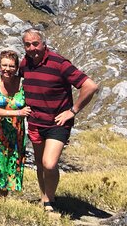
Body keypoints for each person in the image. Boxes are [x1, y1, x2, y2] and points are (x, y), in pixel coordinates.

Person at [20, 28, 99, 212]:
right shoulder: (25, 63)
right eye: (27, 45)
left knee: (49, 163)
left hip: (57, 123)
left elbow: (90, 86)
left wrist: (73, 110)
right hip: (35, 122)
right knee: (40, 163)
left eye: (35, 43)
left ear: (43, 43)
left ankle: (50, 200)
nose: (32, 48)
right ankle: (44, 198)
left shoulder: (59, 63)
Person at [0, 50, 31, 197]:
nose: (7, 69)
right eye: (4, 65)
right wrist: (18, 113)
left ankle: (3, 198)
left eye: (11, 66)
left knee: (10, 164)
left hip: (16, 133)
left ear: (17, 67)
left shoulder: (23, 83)